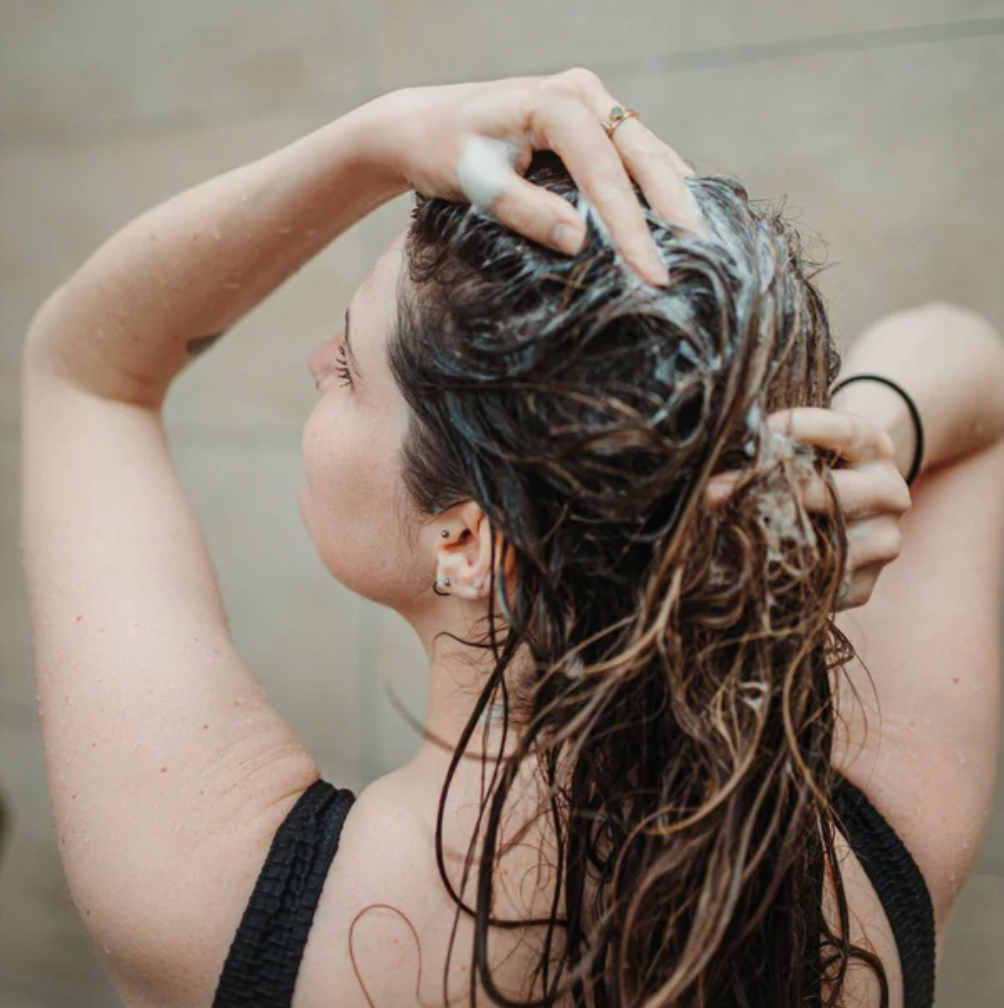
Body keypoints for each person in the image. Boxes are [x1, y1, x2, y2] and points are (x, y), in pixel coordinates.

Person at [18, 68, 1004, 1008]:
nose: (321, 361)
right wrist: (872, 428)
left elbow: (86, 367)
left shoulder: (216, 909)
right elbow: (972, 363)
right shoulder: (868, 871)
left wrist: (365, 144)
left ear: (465, 540)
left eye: (352, 368)